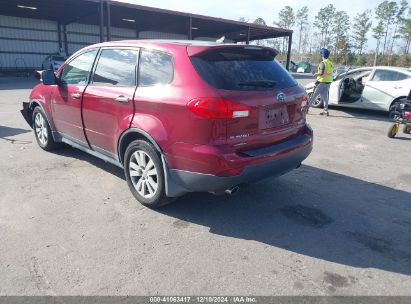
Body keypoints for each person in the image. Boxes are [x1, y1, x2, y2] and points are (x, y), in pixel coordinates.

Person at [309, 48, 333, 116]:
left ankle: (305, 110)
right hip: (328, 82)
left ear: (322, 55)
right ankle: (325, 111)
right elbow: (328, 73)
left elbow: (321, 73)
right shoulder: (330, 63)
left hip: (321, 82)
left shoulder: (323, 63)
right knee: (325, 98)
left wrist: (314, 74)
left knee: (313, 96)